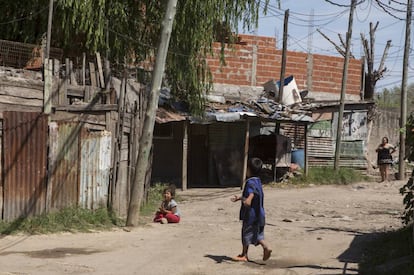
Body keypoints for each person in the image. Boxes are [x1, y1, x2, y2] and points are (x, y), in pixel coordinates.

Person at [230, 157, 272, 262]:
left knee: (246, 234)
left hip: (250, 216)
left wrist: (248, 200)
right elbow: (255, 193)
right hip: (259, 214)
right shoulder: (258, 181)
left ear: (248, 169)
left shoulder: (250, 182)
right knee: (258, 234)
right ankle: (266, 247)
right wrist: (240, 198)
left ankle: (244, 255)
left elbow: (252, 193)